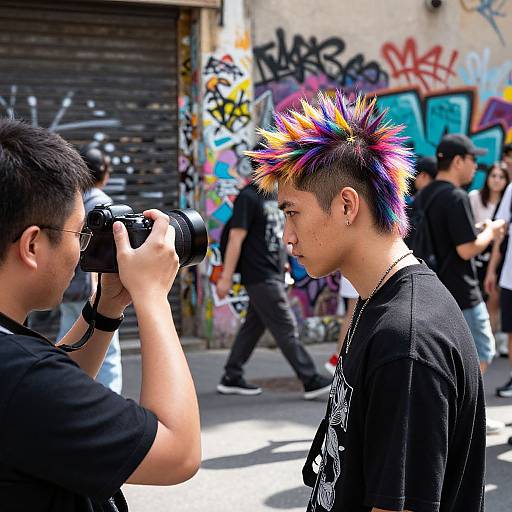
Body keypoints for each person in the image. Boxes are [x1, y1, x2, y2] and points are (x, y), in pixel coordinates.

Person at [248, 91, 486, 511]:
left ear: (345, 205)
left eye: (292, 213)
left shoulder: (407, 341)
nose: (287, 236)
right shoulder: (377, 303)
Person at [0, 119, 201, 511]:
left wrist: (107, 305)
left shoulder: (17, 364)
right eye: (79, 234)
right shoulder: (20, 377)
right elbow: (179, 452)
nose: (83, 252)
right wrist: (153, 296)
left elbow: (46, 401)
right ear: (33, 245)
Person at [216, 176, 332, 400]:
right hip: (259, 274)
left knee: (254, 326)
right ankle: (310, 379)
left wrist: (284, 261)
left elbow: (274, 234)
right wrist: (226, 277)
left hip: (273, 271)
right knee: (285, 325)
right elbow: (236, 238)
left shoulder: (274, 197)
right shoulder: (247, 197)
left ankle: (231, 376)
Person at [57, 144, 122, 393]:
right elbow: (105, 251)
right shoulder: (104, 204)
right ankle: (109, 400)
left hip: (66, 285)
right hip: (90, 289)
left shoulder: (71, 201)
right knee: (108, 349)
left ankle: (62, 391)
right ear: (104, 173)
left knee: (69, 341)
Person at [468, 162, 509, 331]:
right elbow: (468, 226)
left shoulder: (507, 202)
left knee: (494, 298)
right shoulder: (475, 197)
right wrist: (485, 229)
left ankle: (491, 342)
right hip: (476, 253)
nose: (497, 180)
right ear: (487, 178)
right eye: (494, 176)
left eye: (502, 177)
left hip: (498, 254)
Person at [485, 177, 512, 397]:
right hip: (510, 277)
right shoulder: (511, 189)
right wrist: (493, 269)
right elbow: (501, 230)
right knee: (511, 333)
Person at [324, 276, 358, 375]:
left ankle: (338, 359)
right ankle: (337, 359)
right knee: (353, 314)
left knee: (353, 314)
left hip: (355, 272)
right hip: (358, 271)